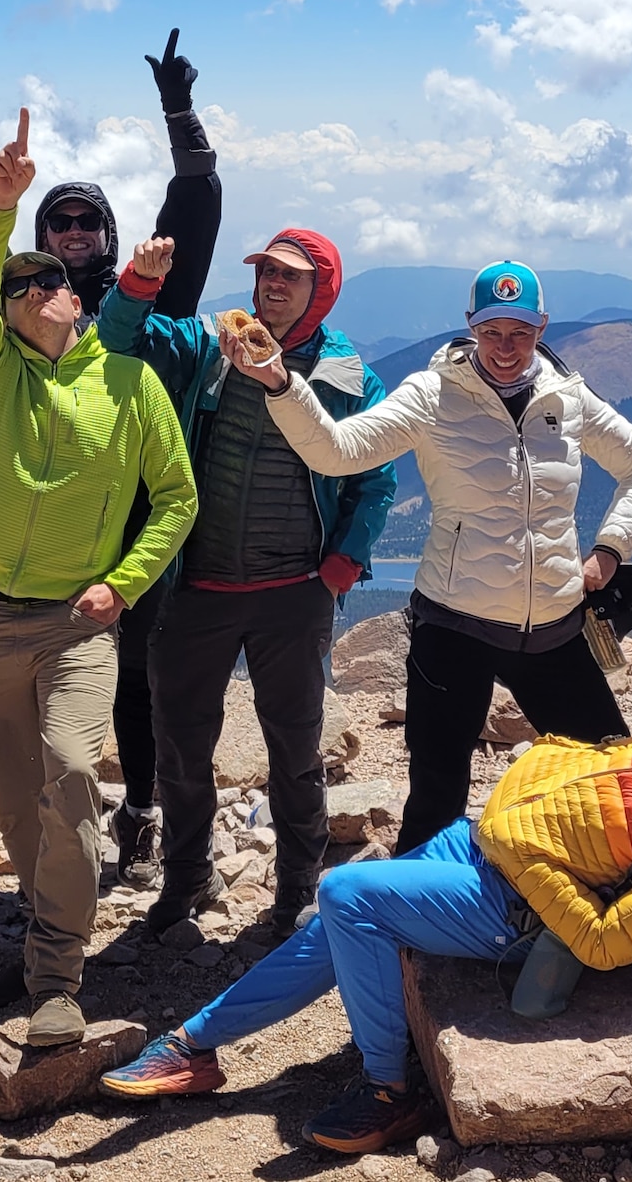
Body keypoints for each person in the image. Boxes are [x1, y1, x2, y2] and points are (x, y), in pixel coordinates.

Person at [101, 720, 632, 1153]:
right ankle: (196, 1046)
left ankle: (389, 1091)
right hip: (491, 840)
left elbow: (602, 941)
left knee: (348, 894)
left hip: (513, 900)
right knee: (343, 923)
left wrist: (523, 855)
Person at [227, 261, 632, 852]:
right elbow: (336, 450)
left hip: (555, 629)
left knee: (612, 771)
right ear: (469, 327)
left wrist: (610, 551)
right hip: (453, 627)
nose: (505, 348)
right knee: (437, 791)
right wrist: (282, 384)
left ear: (541, 326)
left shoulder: (569, 397)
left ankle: (618, 888)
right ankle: (413, 926)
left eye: (519, 332)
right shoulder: (432, 394)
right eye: (491, 332)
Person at [0, 33, 223, 888]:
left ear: (111, 231)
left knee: (142, 674)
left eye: (85, 220)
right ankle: (76, 833)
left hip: (141, 523)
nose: (70, 234)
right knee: (73, 684)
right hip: (57, 526)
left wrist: (180, 110)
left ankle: (144, 814)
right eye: (56, 223)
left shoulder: (156, 279)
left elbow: (197, 203)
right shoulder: (24, 301)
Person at [0, 108, 198, 1044]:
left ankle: (56, 975)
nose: (38, 286)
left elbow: (176, 498)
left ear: (77, 300)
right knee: (18, 803)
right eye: (22, 285)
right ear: (8, 313)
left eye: (52, 278)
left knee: (68, 776)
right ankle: (40, 939)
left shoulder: (130, 386)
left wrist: (123, 585)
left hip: (79, 623)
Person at [98, 229, 398, 937]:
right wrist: (139, 281)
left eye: (291, 277)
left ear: (320, 290)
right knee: (180, 746)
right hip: (197, 587)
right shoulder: (209, 346)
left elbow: (376, 478)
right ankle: (186, 879)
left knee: (295, 748)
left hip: (293, 591)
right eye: (266, 271)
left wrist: (339, 569)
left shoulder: (350, 378)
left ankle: (297, 885)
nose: (272, 283)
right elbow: (118, 339)